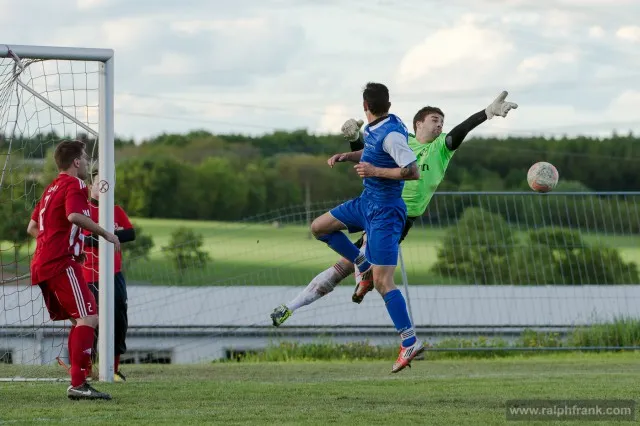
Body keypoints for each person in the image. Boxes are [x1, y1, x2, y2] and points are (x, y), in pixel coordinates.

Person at [271, 91, 519, 356]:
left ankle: (388, 317)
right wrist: (355, 139)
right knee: (345, 262)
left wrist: (486, 113)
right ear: (418, 123)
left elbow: (460, 131)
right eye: (434, 120)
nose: (440, 125)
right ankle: (294, 306)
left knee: (362, 271)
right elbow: (369, 163)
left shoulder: (441, 147)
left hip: (396, 219)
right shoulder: (401, 140)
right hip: (375, 207)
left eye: (442, 122)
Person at [305, 82, 422, 373]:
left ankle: (409, 341)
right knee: (319, 227)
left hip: (385, 213)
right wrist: (348, 156)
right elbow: (371, 152)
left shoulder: (392, 134)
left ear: (365, 106)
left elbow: (412, 171)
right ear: (388, 105)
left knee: (383, 282)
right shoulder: (376, 127)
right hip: (365, 203)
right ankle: (361, 262)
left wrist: (374, 171)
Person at [26, 139, 120, 400]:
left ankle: (80, 378)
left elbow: (32, 227)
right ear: (76, 161)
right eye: (86, 158)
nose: (88, 162)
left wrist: (58, 244)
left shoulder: (50, 188)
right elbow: (74, 216)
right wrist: (106, 234)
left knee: (81, 320)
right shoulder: (76, 184)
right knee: (89, 318)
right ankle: (79, 383)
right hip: (59, 262)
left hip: (44, 263)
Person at [82, 169, 136, 382]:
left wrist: (107, 235)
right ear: (91, 186)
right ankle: (87, 368)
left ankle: (114, 368)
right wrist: (107, 236)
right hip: (90, 275)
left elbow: (130, 233)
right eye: (99, 183)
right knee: (91, 321)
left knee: (119, 318)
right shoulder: (84, 210)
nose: (104, 187)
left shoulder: (115, 210)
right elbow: (85, 239)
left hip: (114, 274)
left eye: (108, 183)